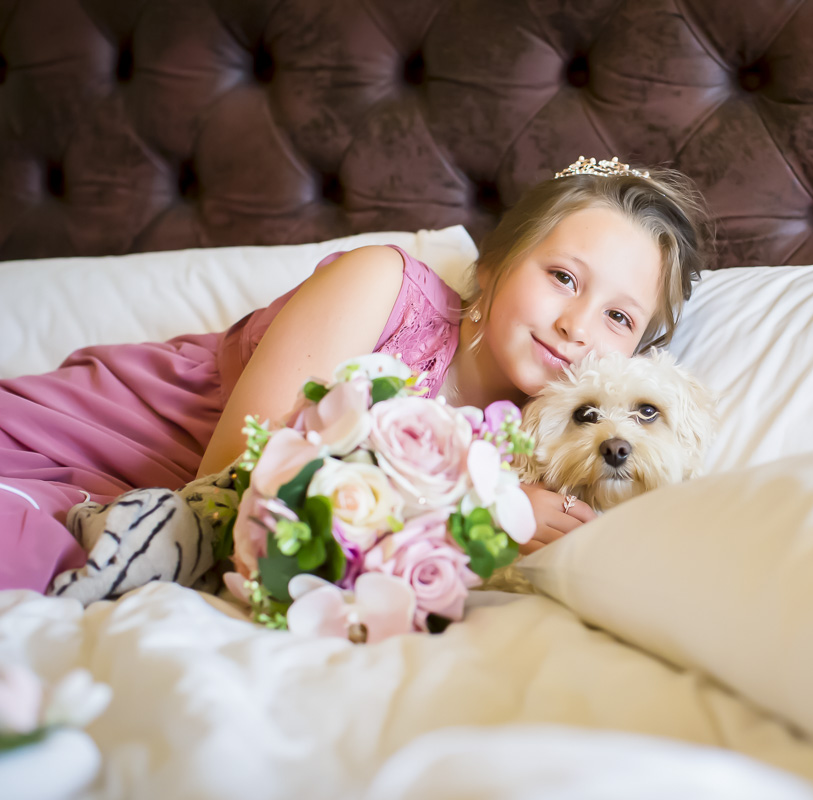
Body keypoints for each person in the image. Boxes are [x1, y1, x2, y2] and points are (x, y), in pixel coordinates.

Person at [0, 156, 713, 593]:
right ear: (494, 265)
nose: (578, 325)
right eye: (562, 277)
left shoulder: (547, 446)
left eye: (619, 317)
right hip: (65, 441)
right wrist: (484, 511)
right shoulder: (383, 286)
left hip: (145, 517)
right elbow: (232, 483)